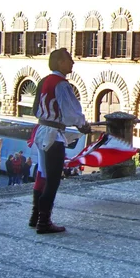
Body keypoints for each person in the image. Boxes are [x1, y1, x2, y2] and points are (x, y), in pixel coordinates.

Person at [30, 48, 91, 234]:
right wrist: (82, 125)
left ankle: (35, 216)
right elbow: (71, 111)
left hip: (41, 130)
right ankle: (44, 222)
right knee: (54, 179)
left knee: (43, 174)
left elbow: (35, 108)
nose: (72, 63)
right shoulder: (62, 84)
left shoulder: (43, 81)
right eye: (69, 60)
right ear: (59, 63)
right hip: (53, 134)